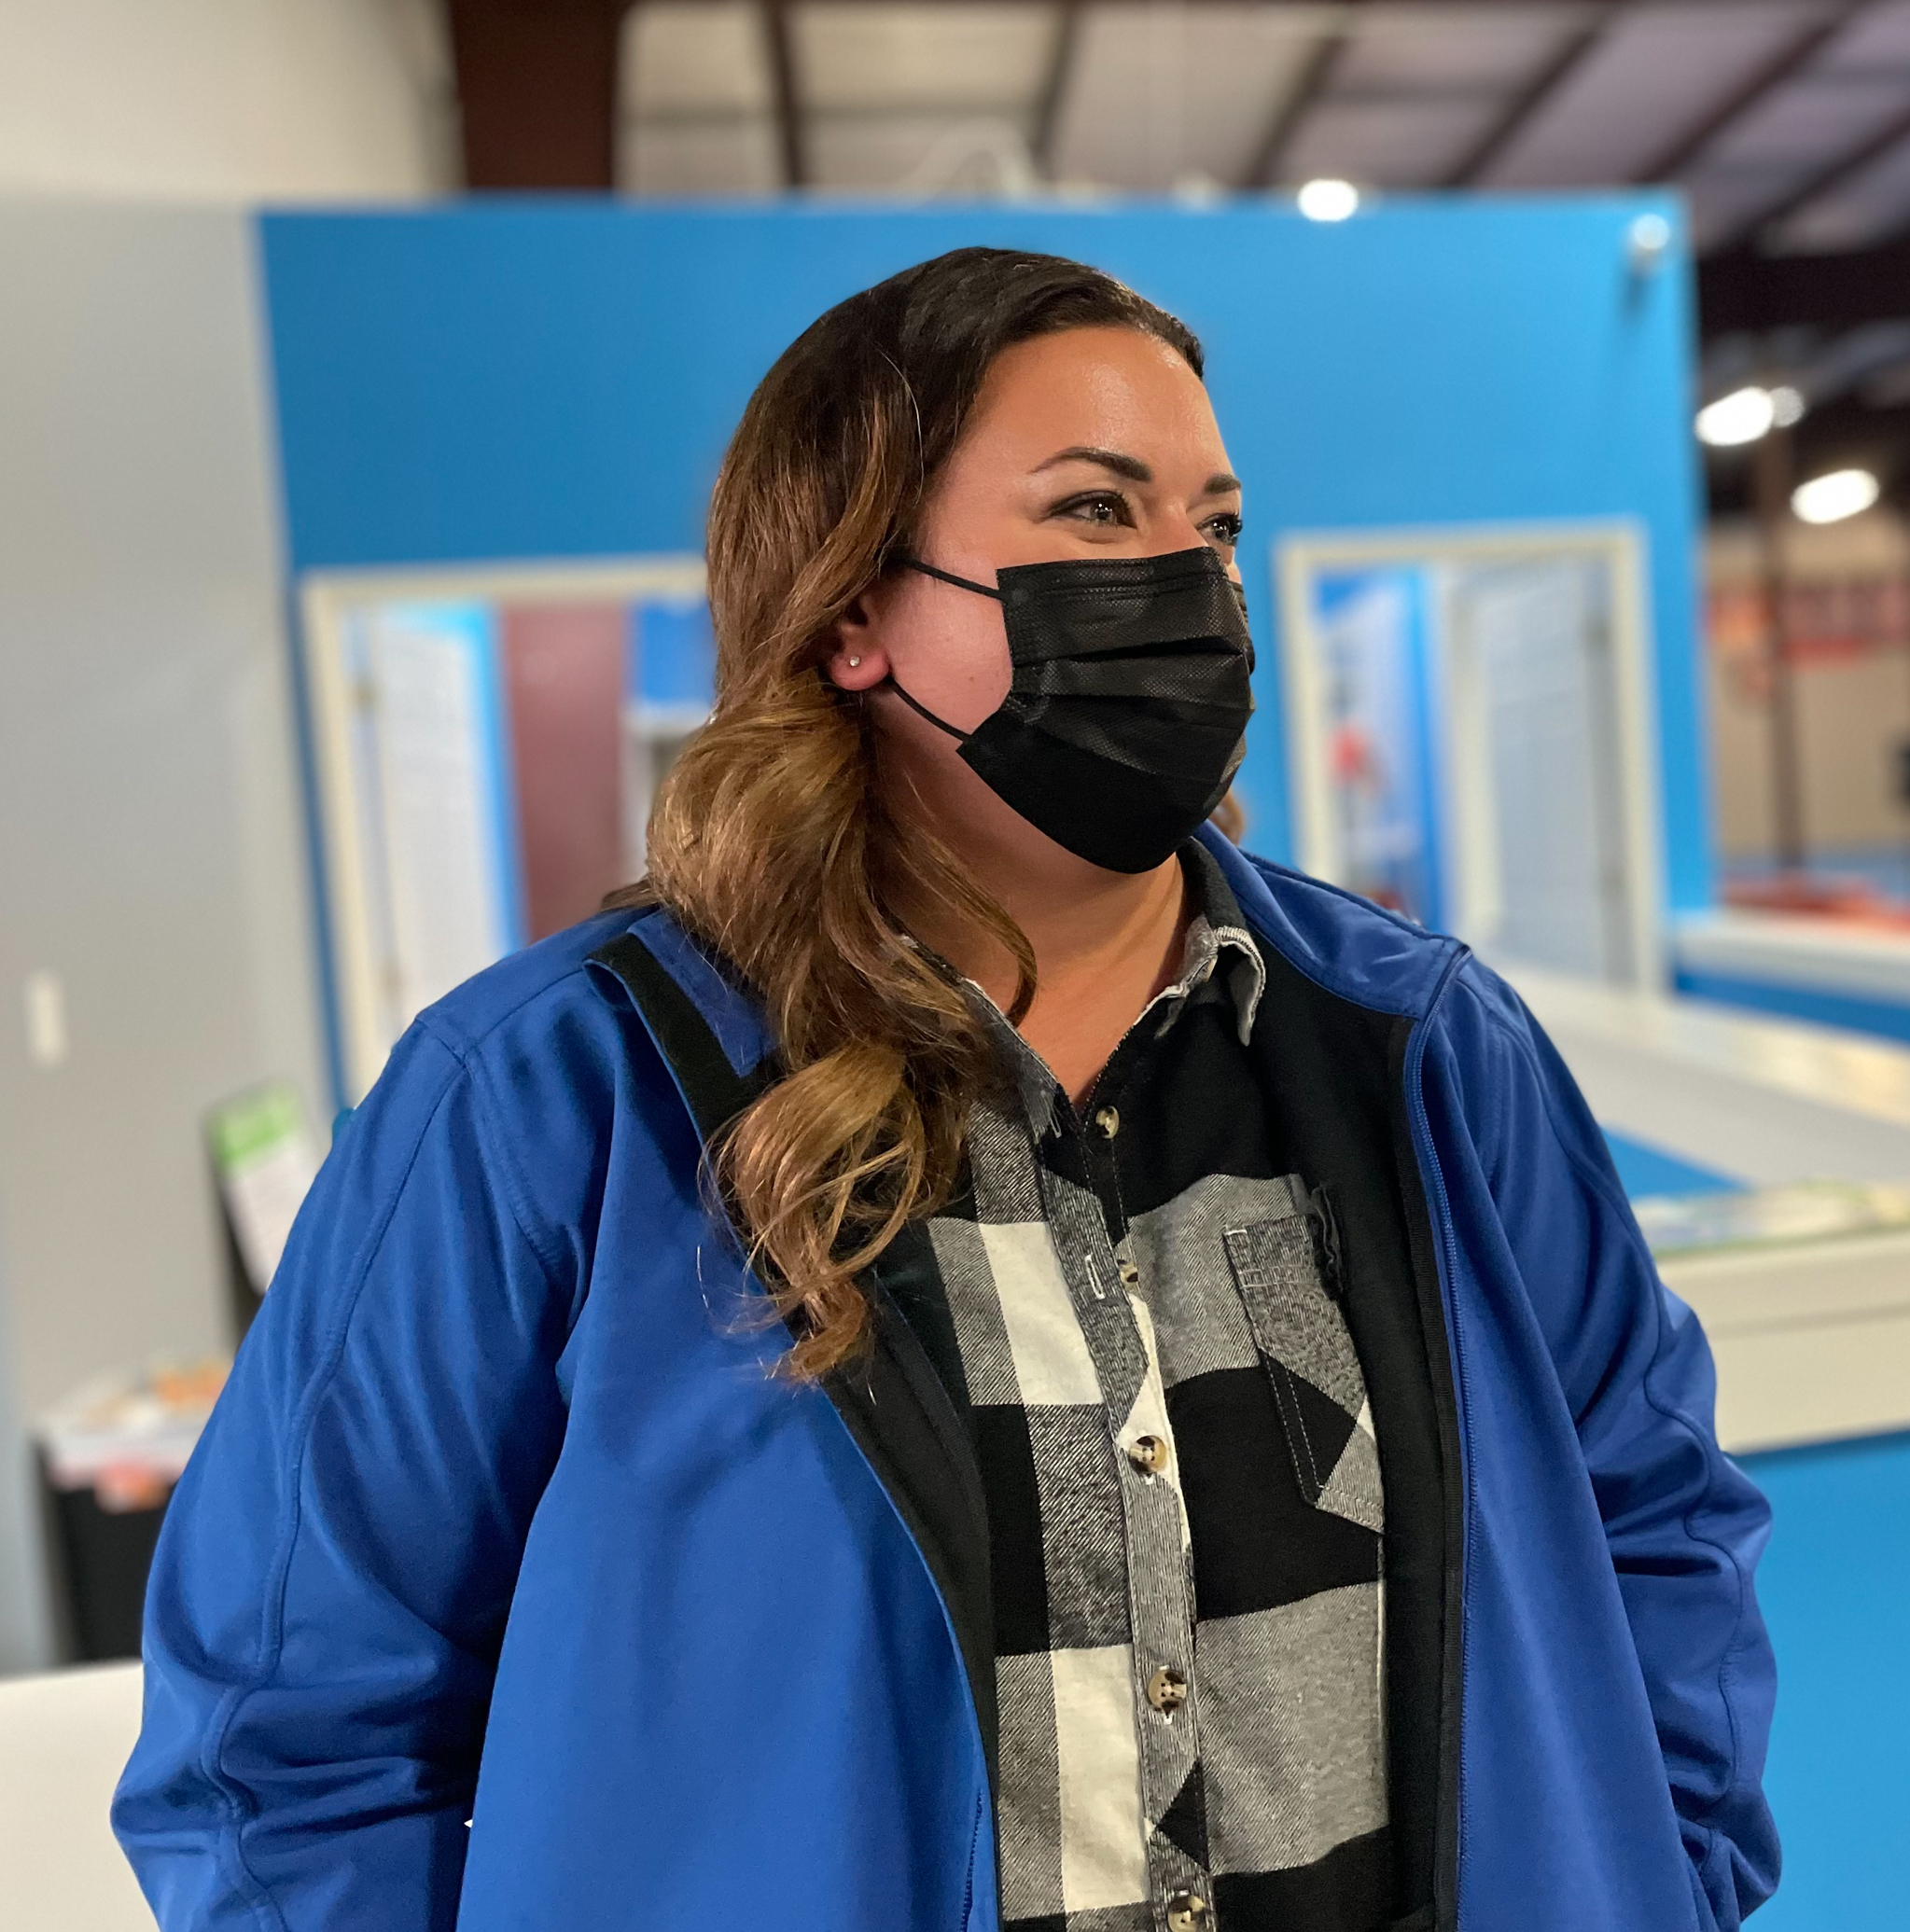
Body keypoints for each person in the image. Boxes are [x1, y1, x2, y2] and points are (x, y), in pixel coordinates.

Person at [114, 248, 1778, 1932]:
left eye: (1212, 527)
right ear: (850, 614)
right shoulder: (554, 1097)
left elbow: (1654, 1524)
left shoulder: (1424, 1050)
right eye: (1091, 514)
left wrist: (1661, 1886)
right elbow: (279, 1746)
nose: (1186, 582)